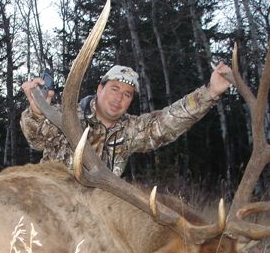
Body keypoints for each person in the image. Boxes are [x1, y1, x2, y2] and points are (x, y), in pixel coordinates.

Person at [20, 63, 232, 177]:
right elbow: (36, 139)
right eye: (114, 89)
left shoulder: (131, 130)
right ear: (100, 88)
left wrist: (211, 92)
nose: (119, 98)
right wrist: (37, 111)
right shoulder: (67, 116)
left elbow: (168, 121)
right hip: (50, 207)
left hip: (96, 214)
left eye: (128, 94)